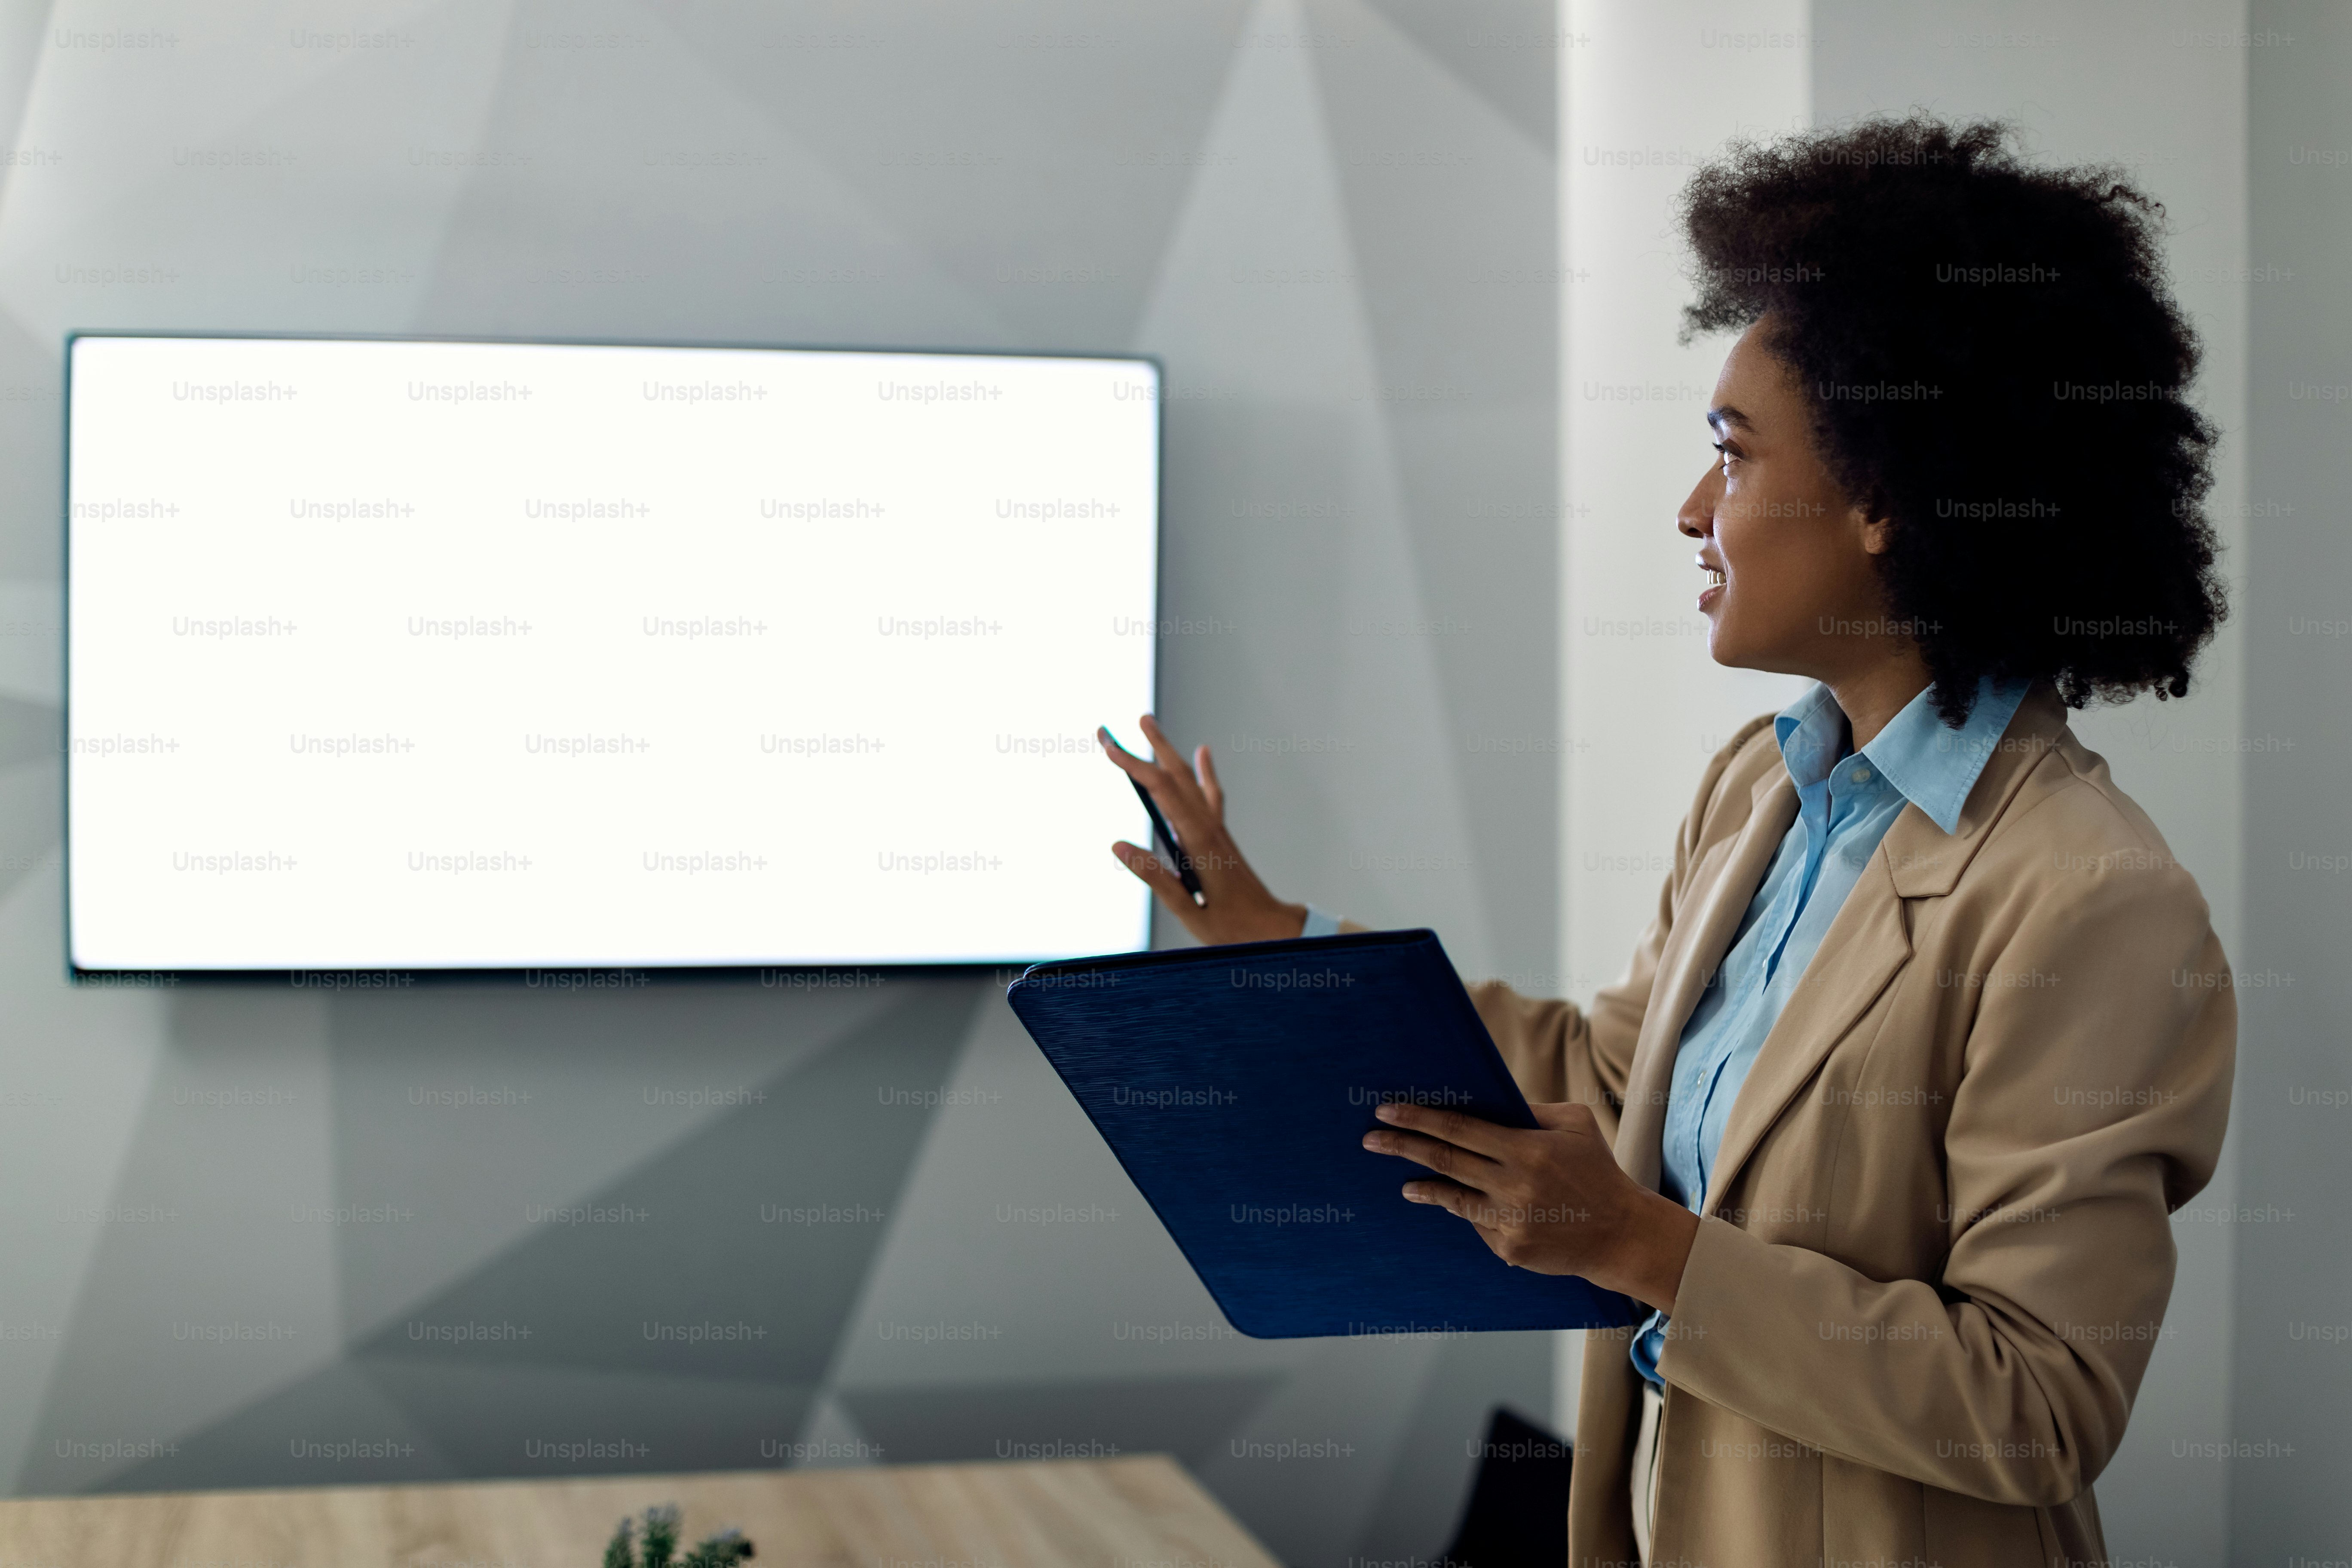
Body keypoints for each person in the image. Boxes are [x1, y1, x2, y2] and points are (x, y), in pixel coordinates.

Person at [1096, 116, 2235, 1568]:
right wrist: (1279, 946)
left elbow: (2033, 1405)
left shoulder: (2091, 899)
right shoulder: (1754, 793)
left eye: (1732, 455)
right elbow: (1612, 1088)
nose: (1695, 510)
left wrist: (1642, 1249)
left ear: (1885, 494)